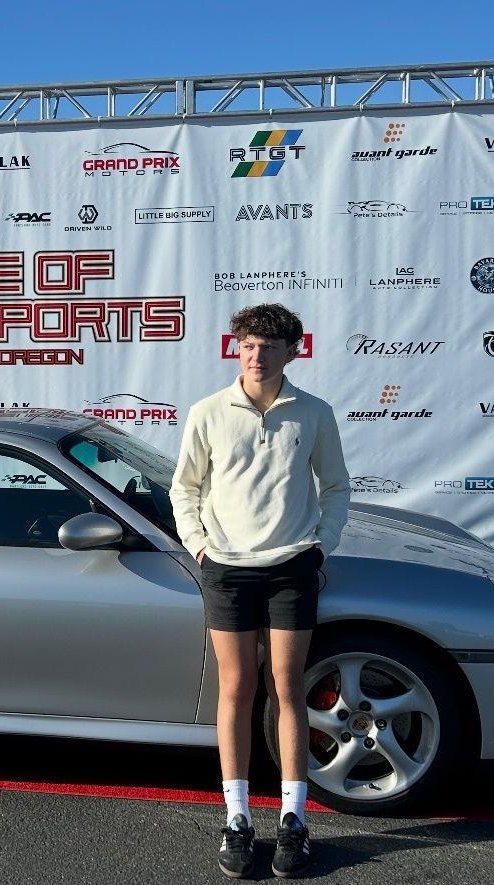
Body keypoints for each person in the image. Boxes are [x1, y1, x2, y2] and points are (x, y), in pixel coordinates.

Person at [169, 303, 350, 879]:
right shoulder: (207, 412)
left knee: (287, 687)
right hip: (226, 568)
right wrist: (199, 546)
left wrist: (321, 545)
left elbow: (336, 487)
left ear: (292, 351)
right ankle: (238, 818)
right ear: (237, 348)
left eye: (269, 346)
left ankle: (294, 821)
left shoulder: (314, 413)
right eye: (248, 345)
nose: (257, 355)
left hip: (292, 566)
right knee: (236, 688)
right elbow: (185, 488)